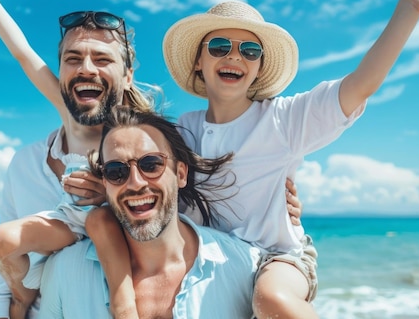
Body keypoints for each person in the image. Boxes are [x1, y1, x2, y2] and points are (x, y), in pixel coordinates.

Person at [0, 0, 305, 318]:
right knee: (6, 241)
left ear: (128, 75)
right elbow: (26, 57)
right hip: (52, 295)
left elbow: (213, 184)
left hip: (111, 270)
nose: (86, 69)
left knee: (102, 221)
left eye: (102, 59)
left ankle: (123, 306)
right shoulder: (26, 164)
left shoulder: (145, 143)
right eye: (73, 60)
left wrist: (279, 203)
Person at [161, 0, 419, 318]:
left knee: (271, 299)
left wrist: (408, 8)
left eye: (249, 50)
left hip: (278, 257)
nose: (234, 57)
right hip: (212, 259)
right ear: (199, 61)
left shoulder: (284, 119)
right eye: (219, 47)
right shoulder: (182, 132)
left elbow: (359, 85)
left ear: (260, 67)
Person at [39, 105, 263, 318]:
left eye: (151, 164)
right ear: (106, 183)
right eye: (116, 171)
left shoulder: (245, 268)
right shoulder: (64, 272)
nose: (135, 183)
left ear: (181, 174)